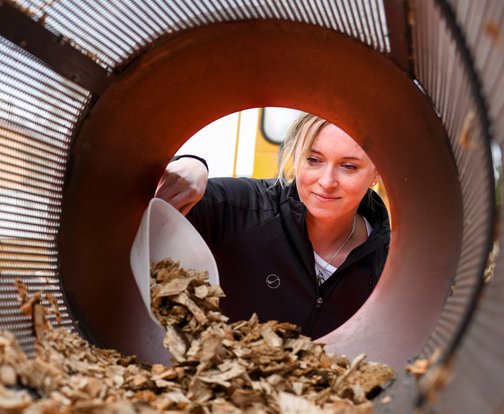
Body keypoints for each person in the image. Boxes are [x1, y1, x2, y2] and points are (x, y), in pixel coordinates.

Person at [154, 113, 390, 338]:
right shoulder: (246, 208)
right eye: (313, 160)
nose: (327, 182)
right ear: (296, 157)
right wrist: (188, 164)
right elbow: (148, 200)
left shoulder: (390, 262)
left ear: (376, 173)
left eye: (348, 166)